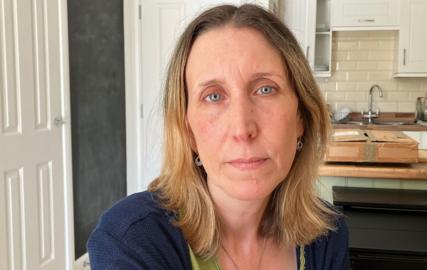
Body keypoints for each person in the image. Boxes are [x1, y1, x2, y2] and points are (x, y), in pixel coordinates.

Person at [87, 4, 349, 270]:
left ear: (301, 117)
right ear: (188, 131)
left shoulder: (326, 234)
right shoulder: (131, 241)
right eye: (213, 96)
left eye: (265, 89)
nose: (242, 128)